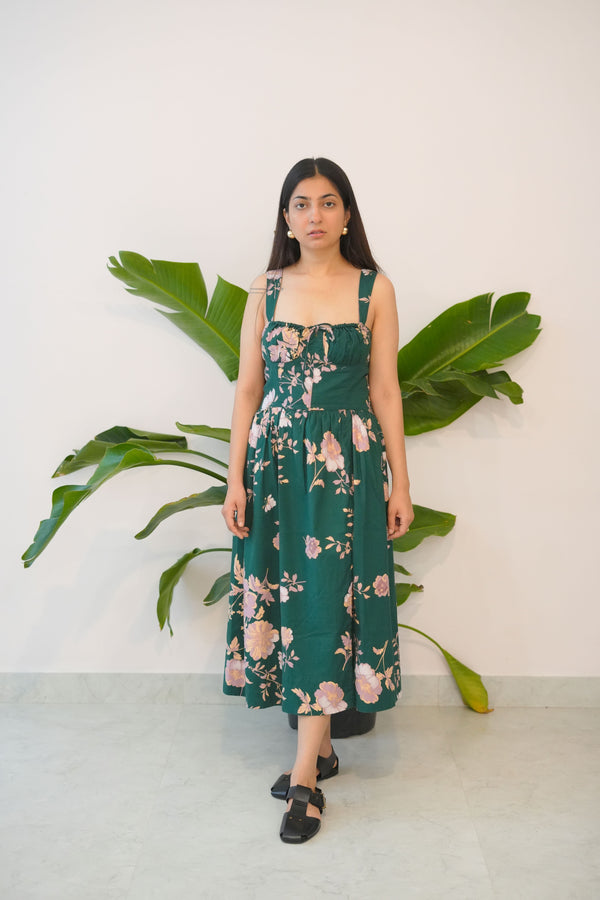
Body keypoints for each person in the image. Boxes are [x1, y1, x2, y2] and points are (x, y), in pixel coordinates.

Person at [221, 157, 413, 844]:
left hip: (347, 467)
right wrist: (234, 477)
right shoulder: (264, 291)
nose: (315, 215)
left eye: (329, 203)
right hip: (275, 467)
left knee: (330, 597)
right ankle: (321, 750)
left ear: (348, 215)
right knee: (293, 598)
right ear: (286, 218)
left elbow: (386, 391)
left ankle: (304, 776)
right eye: (302, 204)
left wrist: (401, 479)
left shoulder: (374, 289)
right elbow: (247, 390)